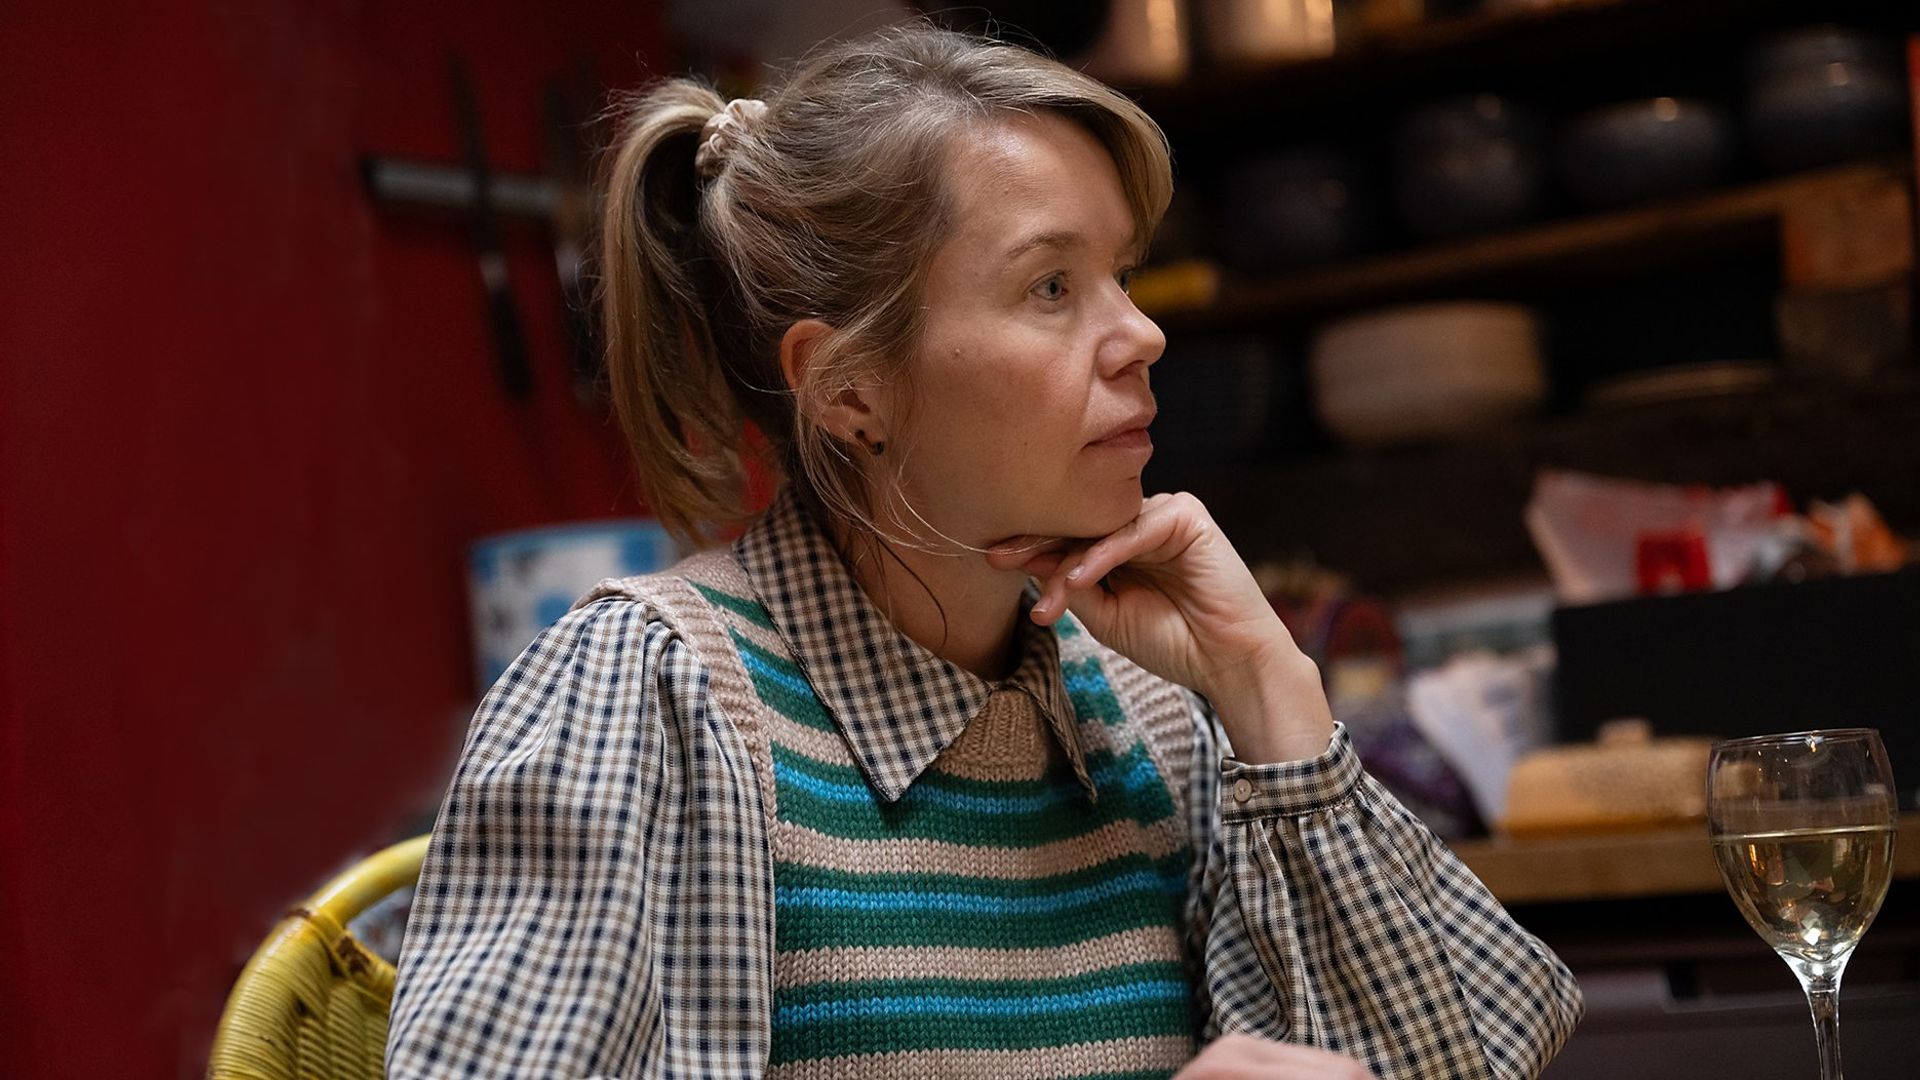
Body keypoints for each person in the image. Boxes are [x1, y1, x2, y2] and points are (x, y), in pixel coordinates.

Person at [386, 23, 1582, 1080]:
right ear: (850, 391)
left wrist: (1272, 692)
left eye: (1121, 272)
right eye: (1052, 285)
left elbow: (1459, 1061)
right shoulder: (651, 697)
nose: (1143, 333)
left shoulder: (1155, 720)